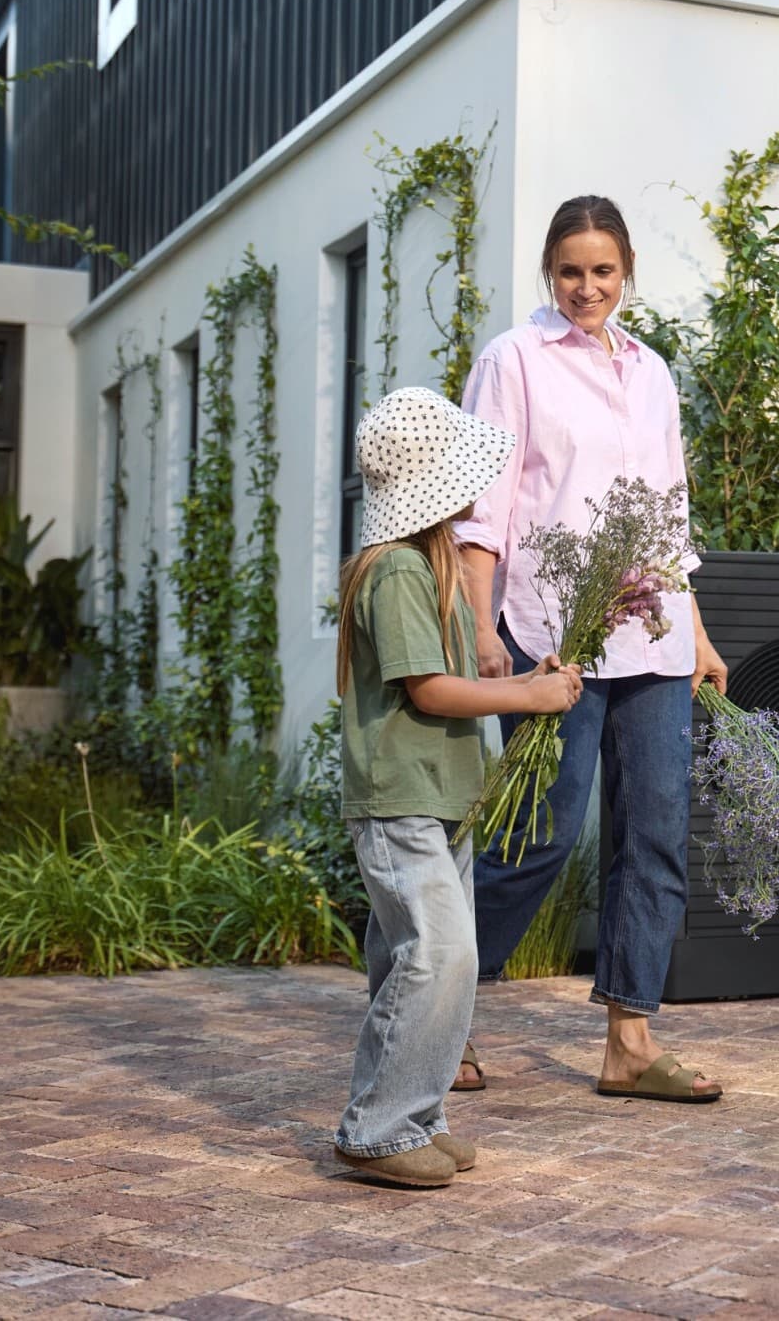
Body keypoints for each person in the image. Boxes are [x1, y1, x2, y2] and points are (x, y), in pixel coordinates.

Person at [451, 195, 728, 1103]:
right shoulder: (513, 361)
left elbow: (670, 516)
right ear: (550, 271)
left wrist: (698, 635)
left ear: (626, 272)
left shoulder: (652, 372)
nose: (586, 287)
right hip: (550, 636)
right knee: (540, 834)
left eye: (603, 271)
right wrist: (482, 631)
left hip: (655, 637)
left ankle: (630, 1042)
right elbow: (482, 512)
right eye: (570, 271)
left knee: (656, 835)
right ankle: (433, 1009)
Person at [333, 386, 583, 1188]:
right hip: (402, 799)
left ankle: (413, 1116)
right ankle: (378, 1129)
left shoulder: (428, 564)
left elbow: (451, 679)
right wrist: (528, 698)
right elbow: (430, 691)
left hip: (443, 798)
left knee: (416, 959)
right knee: (441, 954)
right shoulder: (398, 570)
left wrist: (526, 681)